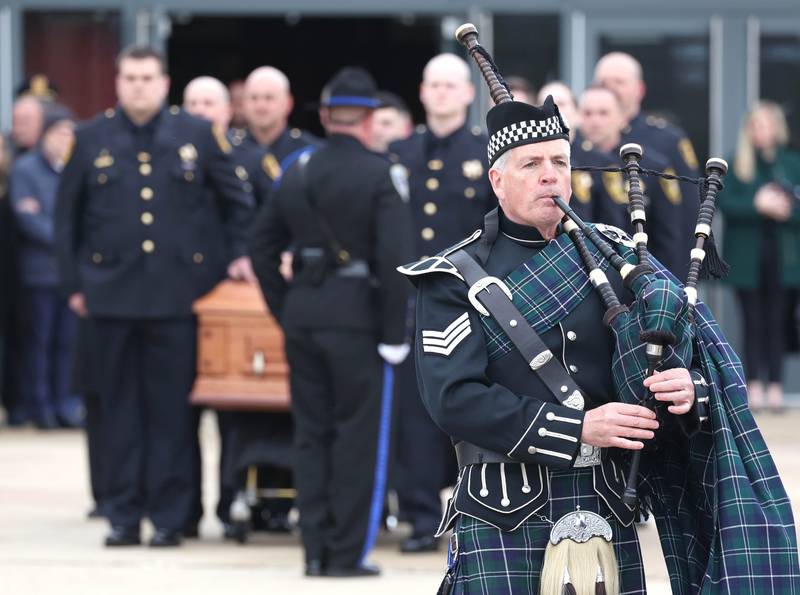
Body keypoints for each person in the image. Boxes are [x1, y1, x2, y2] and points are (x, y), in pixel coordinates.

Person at [399, 95, 709, 593]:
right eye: (532, 164)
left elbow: (693, 359)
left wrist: (688, 388)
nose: (550, 175)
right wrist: (578, 427)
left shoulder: (620, 258)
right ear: (497, 181)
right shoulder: (453, 277)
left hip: (608, 502)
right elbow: (453, 401)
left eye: (560, 161)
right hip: (505, 509)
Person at [55, 45, 255, 548]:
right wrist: (74, 286)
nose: (138, 86)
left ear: (164, 83)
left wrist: (235, 259)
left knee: (171, 414)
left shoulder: (194, 135)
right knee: (119, 412)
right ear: (118, 83)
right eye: (129, 78)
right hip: (108, 299)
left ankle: (169, 517)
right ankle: (123, 514)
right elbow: (66, 221)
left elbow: (237, 203)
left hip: (177, 299)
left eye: (147, 77)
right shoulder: (90, 137)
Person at [249, 66, 413, 577]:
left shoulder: (296, 170)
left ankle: (314, 551)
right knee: (357, 439)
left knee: (311, 435)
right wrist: (393, 335)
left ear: (324, 116)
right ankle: (345, 555)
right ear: (368, 120)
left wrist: (285, 306)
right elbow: (394, 262)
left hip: (304, 317)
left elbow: (260, 248)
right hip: (359, 323)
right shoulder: (382, 174)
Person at [388, 53, 495, 554]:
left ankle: (476, 511)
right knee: (415, 416)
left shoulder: (486, 151)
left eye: (453, 85)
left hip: (471, 299)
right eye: (435, 85)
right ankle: (419, 516)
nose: (443, 93)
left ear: (469, 93)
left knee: (468, 408)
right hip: (414, 300)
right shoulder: (399, 151)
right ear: (423, 92)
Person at [719, 101, 800, 412]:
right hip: (749, 258)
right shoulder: (737, 164)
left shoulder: (790, 163)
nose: (761, 132)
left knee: (779, 321)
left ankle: (777, 388)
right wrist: (757, 205)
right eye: (755, 126)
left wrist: (782, 210)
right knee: (752, 322)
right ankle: (753, 386)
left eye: (766, 125)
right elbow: (726, 205)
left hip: (784, 258)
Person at [594, 52, 699, 278]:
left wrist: (679, 279)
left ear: (639, 89)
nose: (610, 88)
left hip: (655, 266)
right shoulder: (585, 140)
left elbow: (689, 212)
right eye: (603, 82)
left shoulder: (667, 140)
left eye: (619, 82)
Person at [10, 104, 82, 429]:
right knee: (39, 343)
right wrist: (66, 240)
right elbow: (28, 219)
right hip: (39, 273)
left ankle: (65, 404)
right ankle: (40, 406)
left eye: (70, 133)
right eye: (59, 133)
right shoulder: (26, 169)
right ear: (45, 135)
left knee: (68, 344)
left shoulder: (75, 168)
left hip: (69, 275)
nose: (65, 140)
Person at [575, 85, 684, 276]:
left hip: (638, 274)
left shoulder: (650, 166)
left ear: (622, 118)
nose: (595, 121)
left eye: (603, 113)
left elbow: (668, 238)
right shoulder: (566, 164)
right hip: (582, 273)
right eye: (588, 113)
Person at [232, 66, 320, 205]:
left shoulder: (310, 151)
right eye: (254, 98)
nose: (261, 106)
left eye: (269, 98)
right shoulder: (228, 149)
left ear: (288, 103)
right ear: (243, 104)